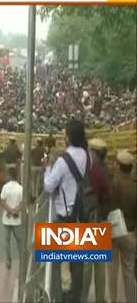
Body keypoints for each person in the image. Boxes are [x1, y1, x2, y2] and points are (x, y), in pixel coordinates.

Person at [44, 119, 89, 303]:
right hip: (82, 215)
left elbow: (48, 186)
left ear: (69, 137)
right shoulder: (88, 156)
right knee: (77, 265)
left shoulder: (63, 160)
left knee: (56, 264)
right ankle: (76, 298)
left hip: (64, 216)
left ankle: (58, 297)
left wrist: (47, 168)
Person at [81, 138, 112, 303]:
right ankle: (100, 298)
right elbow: (108, 196)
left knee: (86, 264)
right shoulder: (104, 170)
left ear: (93, 152)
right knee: (99, 265)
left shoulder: (89, 169)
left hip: (88, 219)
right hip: (99, 219)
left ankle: (83, 297)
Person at [108, 150, 136, 303]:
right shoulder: (134, 187)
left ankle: (113, 299)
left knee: (112, 268)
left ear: (118, 166)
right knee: (129, 270)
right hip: (130, 232)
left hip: (113, 230)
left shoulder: (113, 184)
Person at [0, 167, 23, 270]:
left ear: (9, 176)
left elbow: (3, 201)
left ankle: (8, 261)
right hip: (17, 220)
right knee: (19, 241)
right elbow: (22, 203)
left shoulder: (5, 187)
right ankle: (22, 260)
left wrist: (9, 211)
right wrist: (15, 211)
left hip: (6, 219)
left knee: (7, 241)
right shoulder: (20, 188)